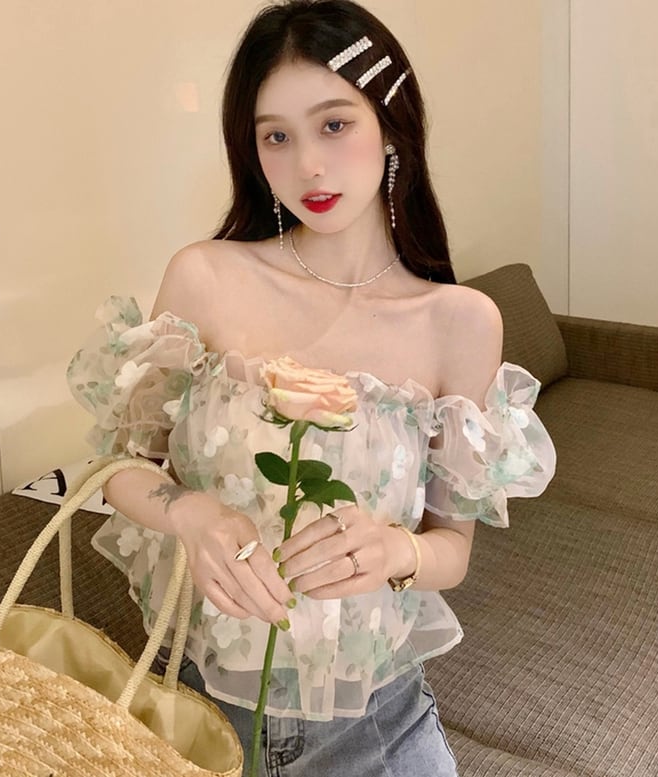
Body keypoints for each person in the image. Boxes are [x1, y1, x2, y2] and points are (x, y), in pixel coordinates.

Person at [67, 1, 556, 774]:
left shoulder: (459, 322)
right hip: (197, 716)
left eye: (333, 124)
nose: (309, 167)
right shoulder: (206, 279)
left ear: (390, 125)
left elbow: (450, 548)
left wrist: (393, 548)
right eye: (276, 136)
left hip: (379, 730)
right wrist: (190, 512)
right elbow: (120, 465)